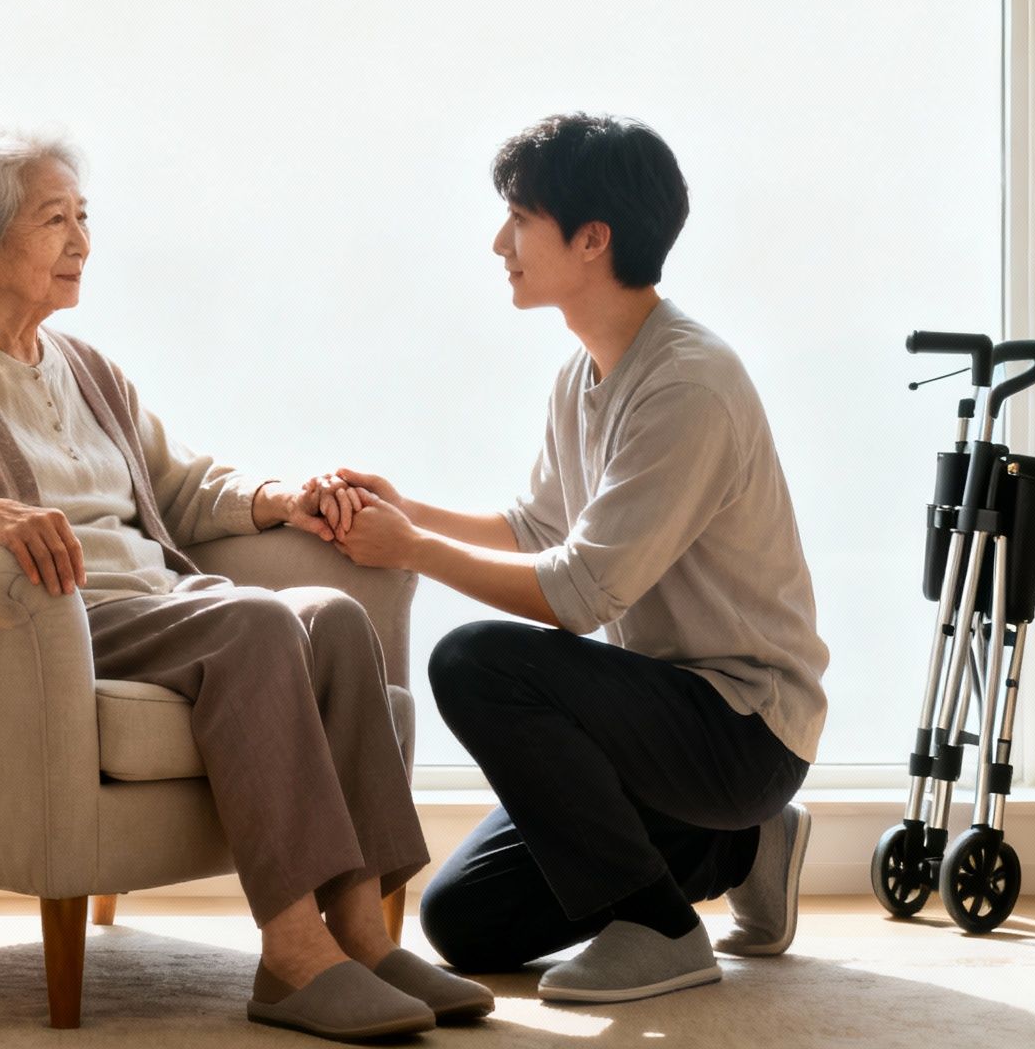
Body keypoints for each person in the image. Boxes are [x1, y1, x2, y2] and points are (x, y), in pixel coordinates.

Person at [0, 131, 494, 1040]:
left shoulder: (90, 369)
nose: (81, 241)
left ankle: (360, 936)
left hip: (163, 606)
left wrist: (279, 499)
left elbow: (182, 488)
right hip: (69, 619)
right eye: (52, 221)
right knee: (259, 626)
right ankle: (291, 954)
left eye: (82, 217)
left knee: (335, 619)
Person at [326, 113, 829, 1003]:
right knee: (467, 924)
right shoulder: (585, 372)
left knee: (474, 661)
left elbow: (579, 593)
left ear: (592, 239)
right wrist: (408, 509)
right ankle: (746, 844)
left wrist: (411, 550)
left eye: (519, 218)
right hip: (659, 729)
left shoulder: (688, 384)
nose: (499, 242)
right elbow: (537, 526)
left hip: (741, 729)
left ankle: (663, 930)